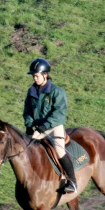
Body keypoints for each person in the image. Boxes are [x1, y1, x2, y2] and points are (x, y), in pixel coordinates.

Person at [23, 58, 78, 194]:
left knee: (59, 151)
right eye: (33, 76)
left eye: (36, 76)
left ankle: (72, 181)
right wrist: (29, 124)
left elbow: (59, 113)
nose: (34, 78)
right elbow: (27, 111)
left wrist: (46, 124)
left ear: (45, 75)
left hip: (54, 126)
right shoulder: (31, 92)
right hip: (39, 128)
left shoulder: (57, 92)